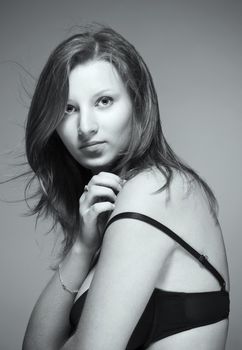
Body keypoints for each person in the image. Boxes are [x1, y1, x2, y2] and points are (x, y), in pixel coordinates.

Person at [21, 24, 230, 350]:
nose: (86, 127)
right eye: (68, 108)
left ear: (138, 104)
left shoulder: (154, 189)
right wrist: (82, 247)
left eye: (103, 101)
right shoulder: (118, 203)